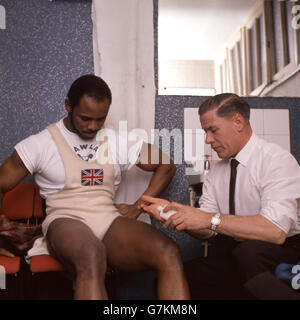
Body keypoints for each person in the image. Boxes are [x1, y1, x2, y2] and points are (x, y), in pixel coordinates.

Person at [0, 74, 190, 300]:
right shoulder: (40, 144)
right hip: (64, 220)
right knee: (91, 254)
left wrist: (139, 206)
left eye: (100, 119)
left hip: (107, 218)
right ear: (68, 106)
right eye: (85, 118)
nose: (93, 126)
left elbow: (166, 165)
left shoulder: (116, 140)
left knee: (167, 252)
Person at [141, 93, 300, 299]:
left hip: (283, 252)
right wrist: (175, 215)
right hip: (239, 253)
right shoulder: (217, 172)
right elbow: (209, 231)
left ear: (238, 122)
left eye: (213, 130)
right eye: (205, 131)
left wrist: (207, 219)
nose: (208, 139)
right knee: (177, 279)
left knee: (249, 254)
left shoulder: (275, 160)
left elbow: (275, 231)